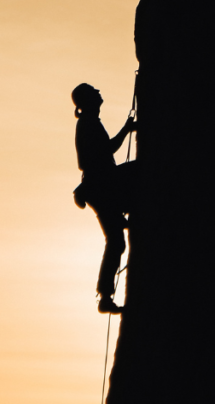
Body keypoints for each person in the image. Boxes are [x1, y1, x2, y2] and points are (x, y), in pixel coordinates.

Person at [71, 83, 137, 314]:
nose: (100, 93)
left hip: (100, 187)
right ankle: (105, 296)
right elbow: (106, 150)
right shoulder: (88, 124)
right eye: (95, 92)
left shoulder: (89, 122)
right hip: (102, 187)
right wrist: (127, 129)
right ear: (89, 100)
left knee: (116, 241)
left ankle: (105, 296)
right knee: (142, 171)